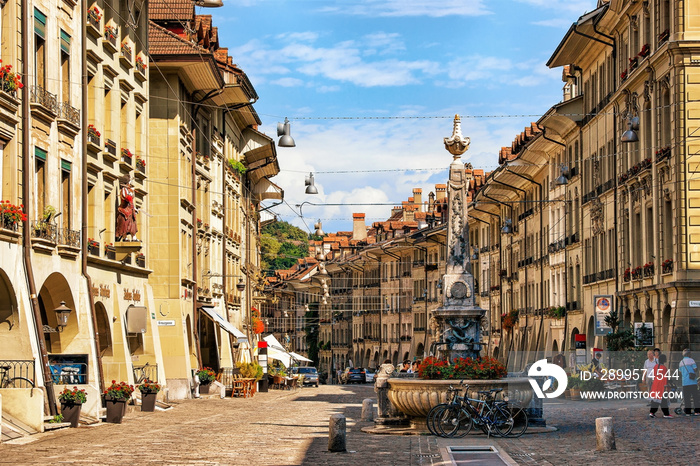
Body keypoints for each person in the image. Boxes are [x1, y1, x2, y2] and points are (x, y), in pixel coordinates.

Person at [649, 354, 673, 418]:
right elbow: (665, 378)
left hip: (655, 384)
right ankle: (666, 413)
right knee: (663, 400)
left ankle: (652, 412)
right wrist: (667, 386)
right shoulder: (664, 368)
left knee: (656, 400)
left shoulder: (655, 366)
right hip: (662, 385)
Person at [116, 175, 138, 241]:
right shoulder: (124, 190)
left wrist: (134, 208)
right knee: (124, 225)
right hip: (125, 210)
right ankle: (124, 237)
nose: (129, 184)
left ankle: (134, 237)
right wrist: (131, 192)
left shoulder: (128, 190)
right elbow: (127, 198)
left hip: (130, 210)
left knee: (133, 224)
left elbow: (131, 202)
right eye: (129, 183)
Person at [679, 348, 700, 416]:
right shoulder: (691, 360)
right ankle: (697, 411)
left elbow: (680, 371)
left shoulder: (681, 362)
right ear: (689, 354)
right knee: (695, 397)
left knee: (686, 397)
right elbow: (695, 369)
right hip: (692, 382)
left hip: (685, 382)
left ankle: (688, 412)